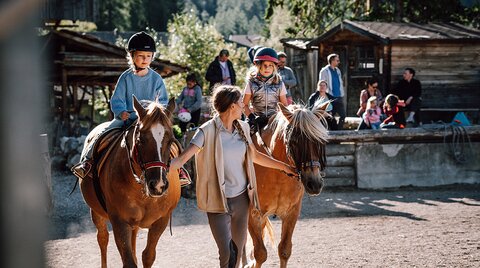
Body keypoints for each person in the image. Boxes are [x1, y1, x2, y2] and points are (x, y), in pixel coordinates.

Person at [169, 85, 296, 268]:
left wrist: (285, 167)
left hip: (242, 201)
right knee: (226, 253)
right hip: (218, 202)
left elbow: (256, 156)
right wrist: (162, 171)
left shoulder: (243, 128)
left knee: (236, 256)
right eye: (240, 102)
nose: (244, 106)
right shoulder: (206, 131)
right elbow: (182, 159)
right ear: (232, 106)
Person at [72, 31, 168, 178]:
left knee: (168, 140)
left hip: (149, 123)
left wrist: (153, 115)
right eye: (141, 56)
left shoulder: (156, 79)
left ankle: (178, 171)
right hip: (126, 118)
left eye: (148, 56)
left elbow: (163, 102)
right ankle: (87, 163)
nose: (145, 59)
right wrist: (121, 111)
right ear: (132, 56)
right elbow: (116, 99)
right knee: (104, 134)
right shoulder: (125, 77)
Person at [242, 47, 288, 134]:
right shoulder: (251, 83)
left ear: (274, 67)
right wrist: (252, 117)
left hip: (274, 120)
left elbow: (284, 105)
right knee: (243, 139)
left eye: (270, 65)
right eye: (264, 65)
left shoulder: (279, 83)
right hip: (256, 120)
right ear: (258, 66)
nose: (267, 68)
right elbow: (244, 105)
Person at [319, 53, 346, 130]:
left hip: (339, 97)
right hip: (329, 97)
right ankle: (329, 133)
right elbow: (322, 84)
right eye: (337, 60)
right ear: (332, 61)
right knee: (330, 117)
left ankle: (338, 132)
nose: (339, 62)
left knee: (343, 115)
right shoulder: (324, 71)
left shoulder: (338, 71)